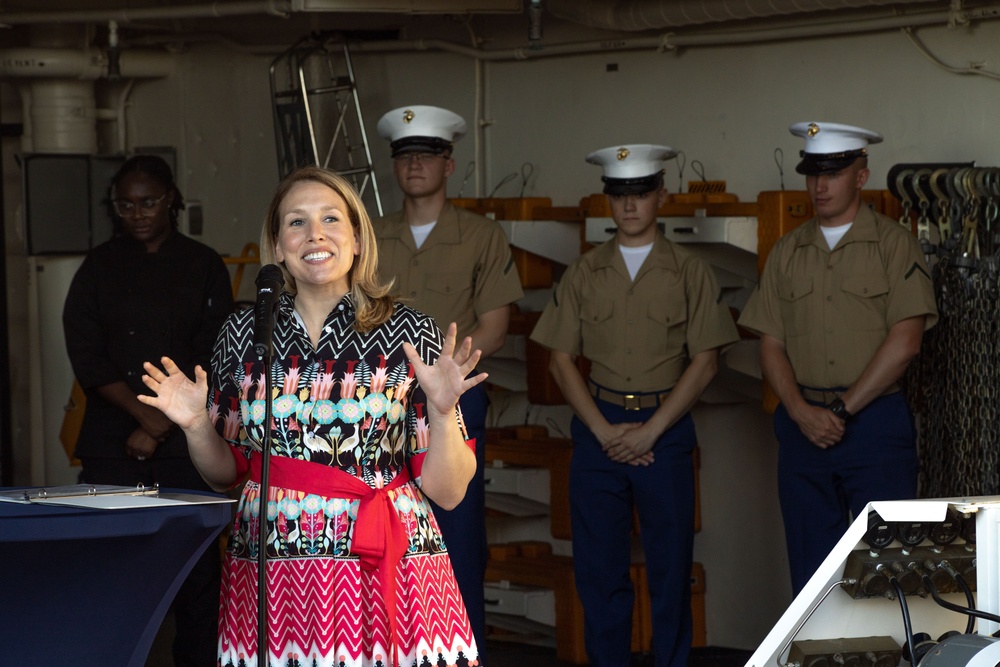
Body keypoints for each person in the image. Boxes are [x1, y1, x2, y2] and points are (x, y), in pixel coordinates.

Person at [138, 166, 483, 667]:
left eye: (331, 219)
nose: (315, 234)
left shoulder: (409, 331)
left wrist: (443, 408)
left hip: (386, 560)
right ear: (277, 246)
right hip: (273, 570)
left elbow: (449, 492)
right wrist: (194, 425)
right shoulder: (242, 333)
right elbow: (223, 476)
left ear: (358, 238)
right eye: (296, 222)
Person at [530, 144, 739, 667]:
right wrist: (604, 433)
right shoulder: (583, 273)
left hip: (662, 432)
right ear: (607, 200)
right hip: (598, 430)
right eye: (618, 193)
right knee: (599, 574)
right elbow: (559, 360)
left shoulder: (689, 272)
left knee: (671, 573)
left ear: (661, 196)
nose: (629, 205)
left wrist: (650, 432)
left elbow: (707, 360)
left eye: (641, 193)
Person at [738, 122, 938, 594]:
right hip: (804, 426)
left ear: (861, 177)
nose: (820, 185)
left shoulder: (894, 246)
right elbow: (771, 344)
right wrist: (801, 412)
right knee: (812, 576)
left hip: (874, 427)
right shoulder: (787, 252)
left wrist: (841, 411)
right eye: (812, 174)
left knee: (888, 568)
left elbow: (906, 341)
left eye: (833, 173)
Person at [62, 154, 234, 666]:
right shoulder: (97, 266)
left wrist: (163, 427)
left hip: (189, 444)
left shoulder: (203, 263)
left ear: (173, 201)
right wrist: (146, 418)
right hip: (112, 443)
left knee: (198, 575)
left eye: (148, 202)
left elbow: (216, 349)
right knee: (110, 567)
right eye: (125, 205)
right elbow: (86, 353)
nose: (137, 213)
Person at [373, 104, 524, 657]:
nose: (415, 165)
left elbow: (496, 327)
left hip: (453, 402)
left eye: (427, 155)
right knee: (378, 534)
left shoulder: (481, 235)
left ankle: (464, 653)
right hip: (376, 407)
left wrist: (444, 379)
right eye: (405, 156)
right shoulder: (369, 235)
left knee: (457, 541)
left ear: (449, 165)